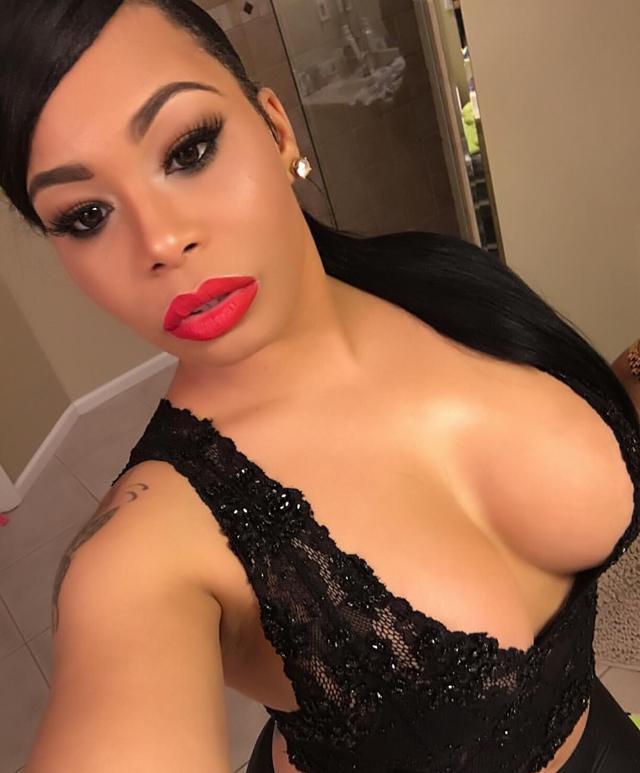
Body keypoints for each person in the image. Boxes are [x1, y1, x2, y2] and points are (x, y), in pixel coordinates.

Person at [1, 2, 639, 771]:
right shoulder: (140, 554)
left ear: (277, 128)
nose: (161, 240)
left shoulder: (438, 275)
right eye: (86, 214)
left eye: (189, 148)